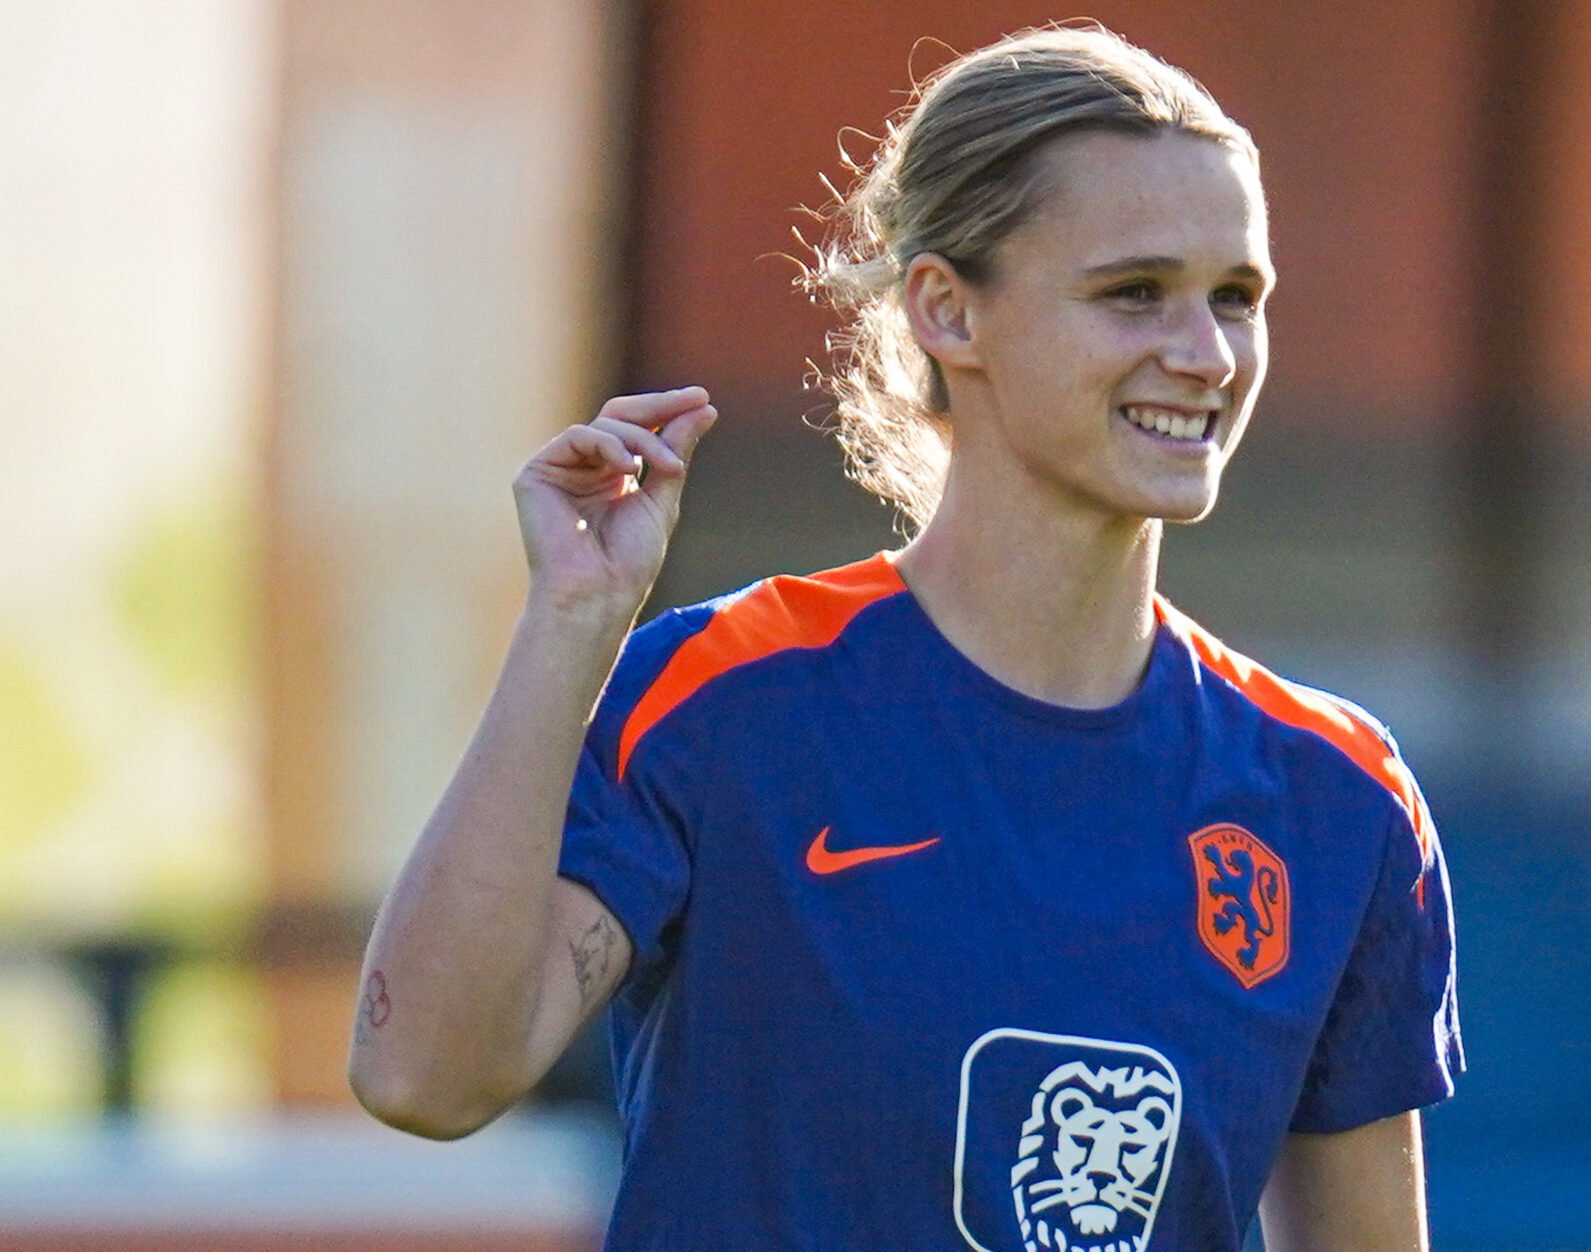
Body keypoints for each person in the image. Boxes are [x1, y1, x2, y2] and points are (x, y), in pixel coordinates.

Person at [348, 25, 1461, 1251]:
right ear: (947, 310)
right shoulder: (726, 697)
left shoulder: (1335, 796)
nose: (1203, 355)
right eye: (1134, 292)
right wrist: (569, 621)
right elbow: (424, 1077)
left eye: (1234, 298)